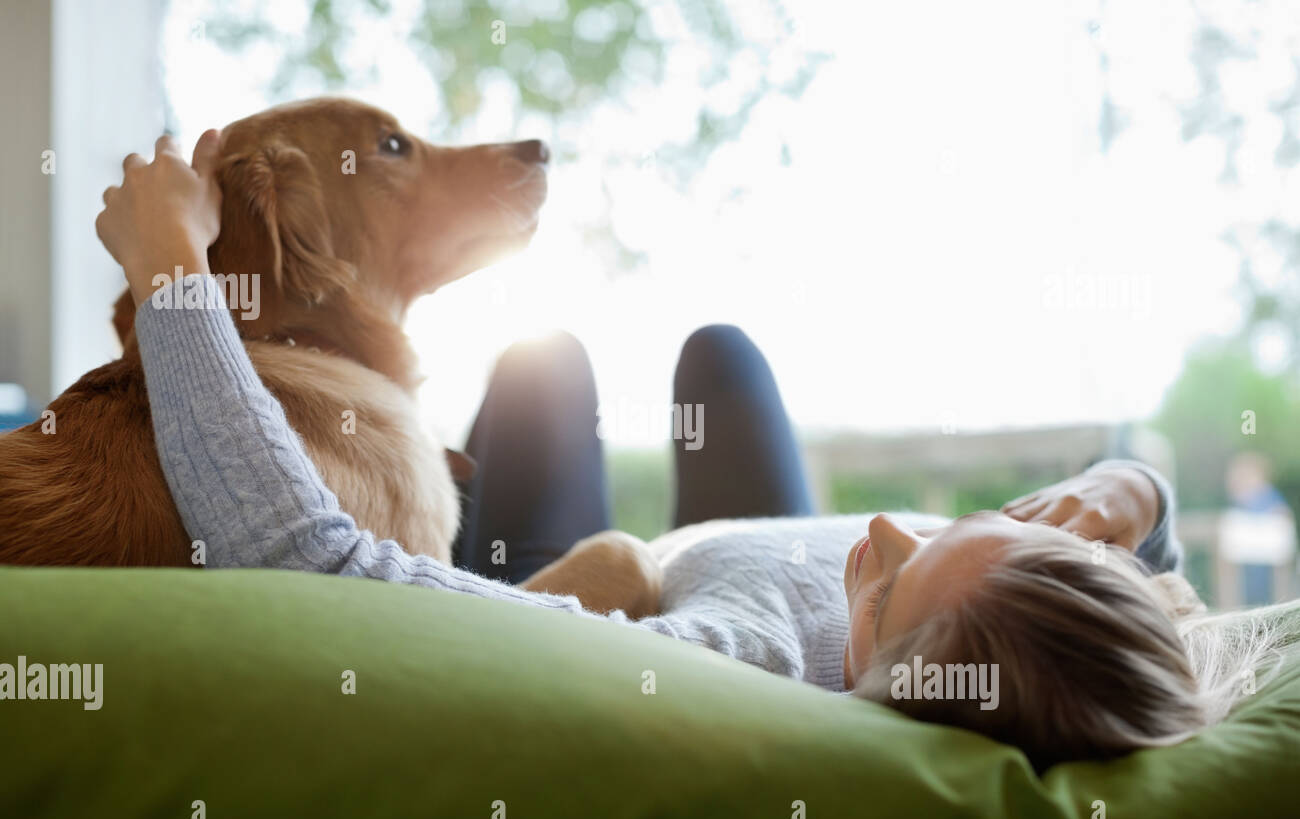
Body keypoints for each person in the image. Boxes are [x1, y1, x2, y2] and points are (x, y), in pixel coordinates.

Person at [96, 131, 1288, 770]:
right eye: (959, 531)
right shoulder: (1066, 622)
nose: (880, 530)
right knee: (719, 353)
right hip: (752, 533)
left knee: (542, 366)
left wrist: (170, 268)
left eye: (891, 581)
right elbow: (1152, 558)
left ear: (871, 686)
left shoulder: (732, 664)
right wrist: (1123, 488)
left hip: (642, 579)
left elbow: (310, 564)